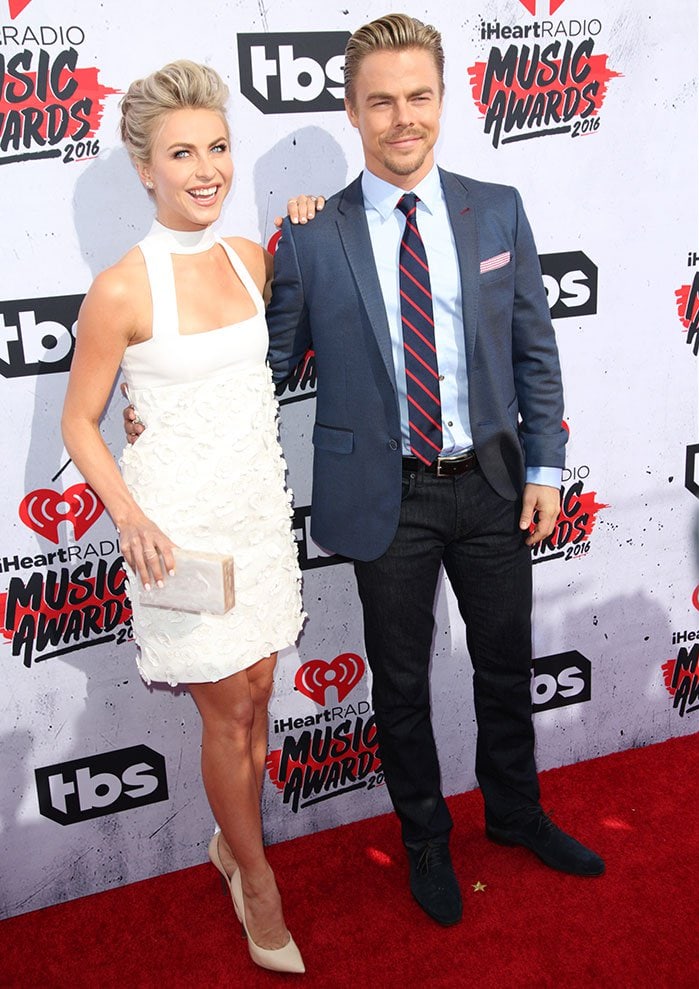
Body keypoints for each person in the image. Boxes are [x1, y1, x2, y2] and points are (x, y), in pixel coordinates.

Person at [264, 14, 605, 926]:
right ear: (351, 109)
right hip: (388, 497)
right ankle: (424, 837)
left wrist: (545, 464)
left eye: (418, 96)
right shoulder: (310, 236)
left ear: (443, 100)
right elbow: (265, 365)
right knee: (402, 683)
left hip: (492, 483)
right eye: (381, 100)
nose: (401, 117)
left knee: (503, 664)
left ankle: (516, 812)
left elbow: (535, 350)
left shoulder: (497, 209)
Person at [62, 61, 308, 974]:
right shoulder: (121, 288)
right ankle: (257, 876)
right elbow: (78, 421)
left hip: (254, 509)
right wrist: (128, 515)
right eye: (181, 153)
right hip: (178, 527)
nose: (205, 168)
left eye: (216, 147)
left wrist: (313, 219)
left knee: (259, 696)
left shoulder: (250, 259)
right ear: (144, 169)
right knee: (226, 712)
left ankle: (229, 848)